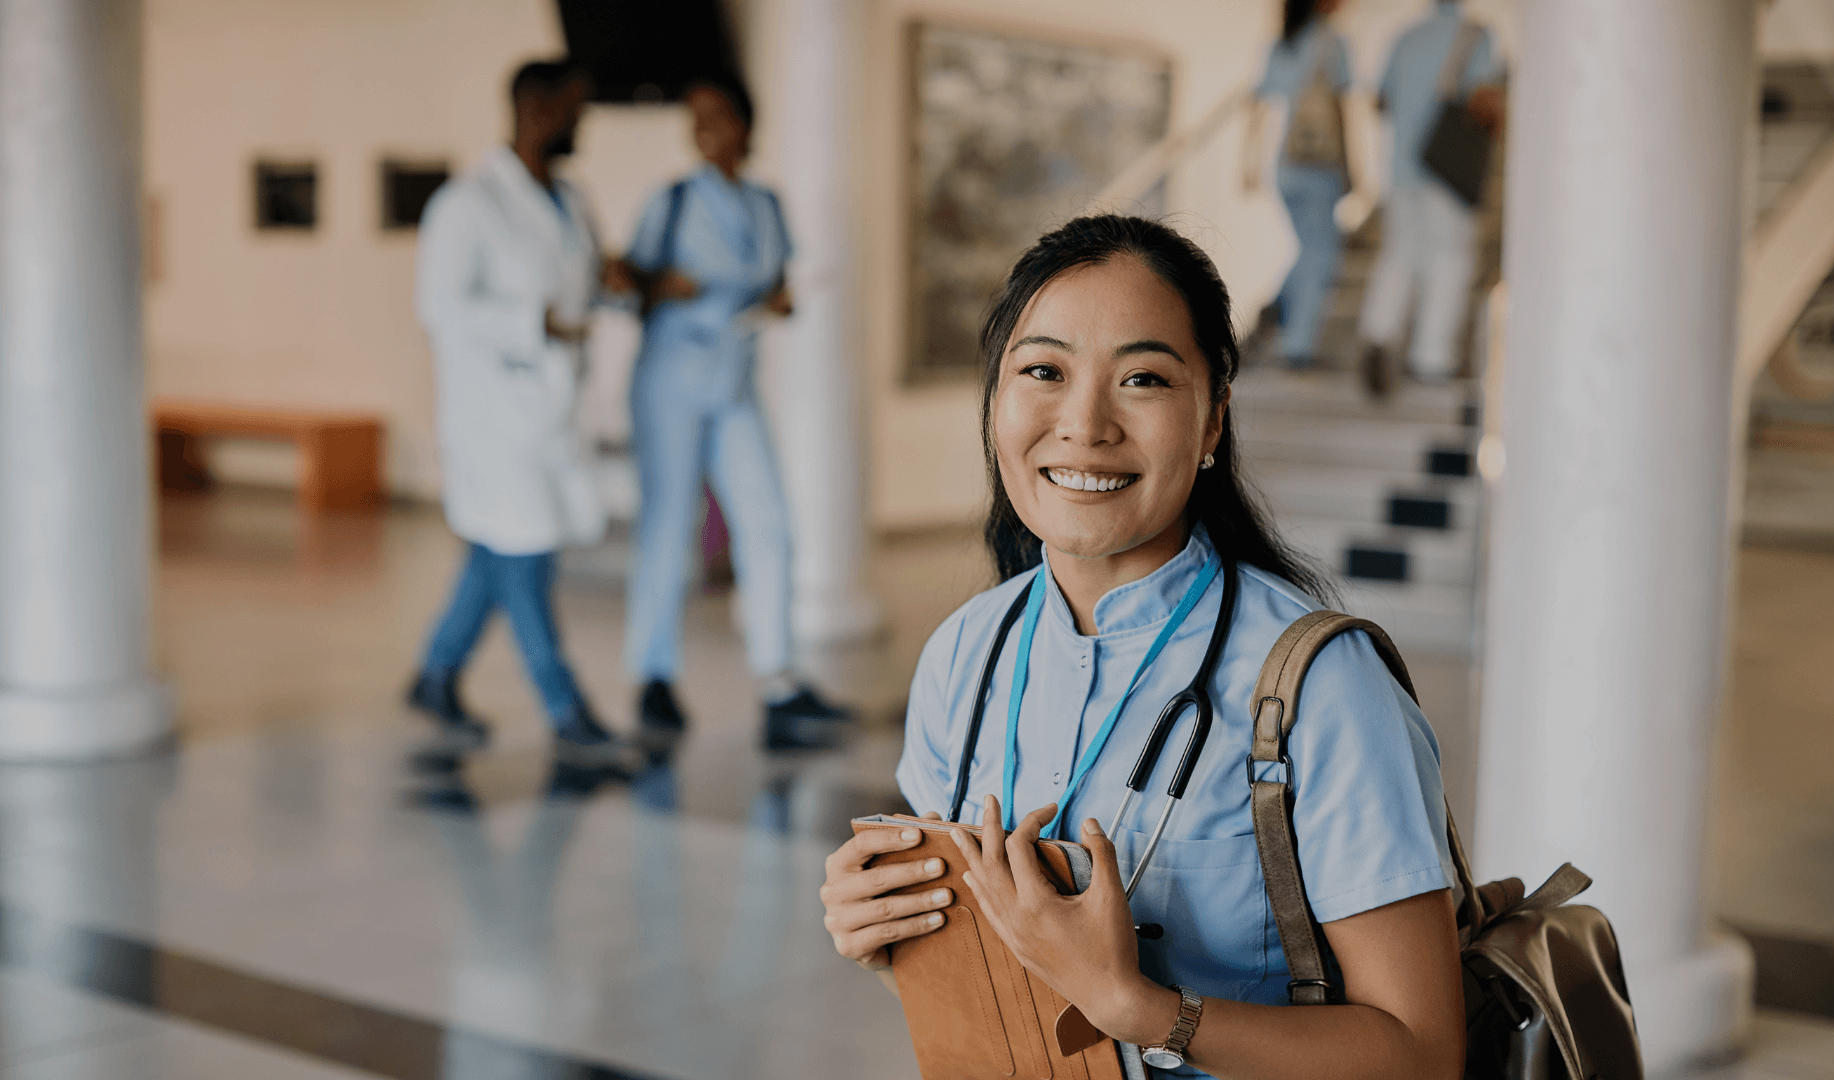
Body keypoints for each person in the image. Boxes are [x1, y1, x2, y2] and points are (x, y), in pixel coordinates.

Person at [821, 216, 1463, 1078]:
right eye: (1043, 371)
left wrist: (1143, 1010)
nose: (1084, 424)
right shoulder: (965, 656)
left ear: (1211, 424)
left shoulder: (1321, 688)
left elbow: (1422, 1056)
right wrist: (889, 939)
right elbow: (987, 990)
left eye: (1144, 379)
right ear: (996, 401)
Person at [407, 60, 628, 766]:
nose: (582, 125)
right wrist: (536, 321)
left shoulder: (569, 197)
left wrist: (617, 284)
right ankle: (565, 709)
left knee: (495, 548)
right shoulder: (467, 204)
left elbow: (586, 282)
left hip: (550, 409)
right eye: (574, 111)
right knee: (524, 553)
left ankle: (435, 675)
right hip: (492, 416)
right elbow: (439, 308)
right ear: (536, 111)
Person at [622, 80, 849, 750]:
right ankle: (654, 676)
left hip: (734, 382)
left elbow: (782, 281)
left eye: (718, 118)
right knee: (669, 525)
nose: (705, 131)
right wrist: (662, 284)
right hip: (671, 378)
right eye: (696, 120)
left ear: (747, 128)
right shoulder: (671, 202)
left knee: (770, 523)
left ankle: (779, 682)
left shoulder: (765, 203)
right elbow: (628, 283)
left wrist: (783, 299)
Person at [1357, 0, 1504, 395]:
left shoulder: (1404, 36)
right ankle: (1431, 359)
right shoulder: (1477, 36)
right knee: (1451, 258)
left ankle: (1379, 332)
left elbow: (1381, 102)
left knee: (1401, 253)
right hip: (1449, 170)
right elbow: (1484, 101)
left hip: (1403, 168)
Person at [1243, 0, 1352, 370]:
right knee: (1323, 253)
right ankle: (1298, 346)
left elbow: (1257, 105)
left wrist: (1247, 164)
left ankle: (1277, 308)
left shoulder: (1281, 43)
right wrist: (1352, 166)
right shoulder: (1332, 43)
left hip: (1284, 164)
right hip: (1319, 165)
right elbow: (1339, 110)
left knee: (1309, 248)